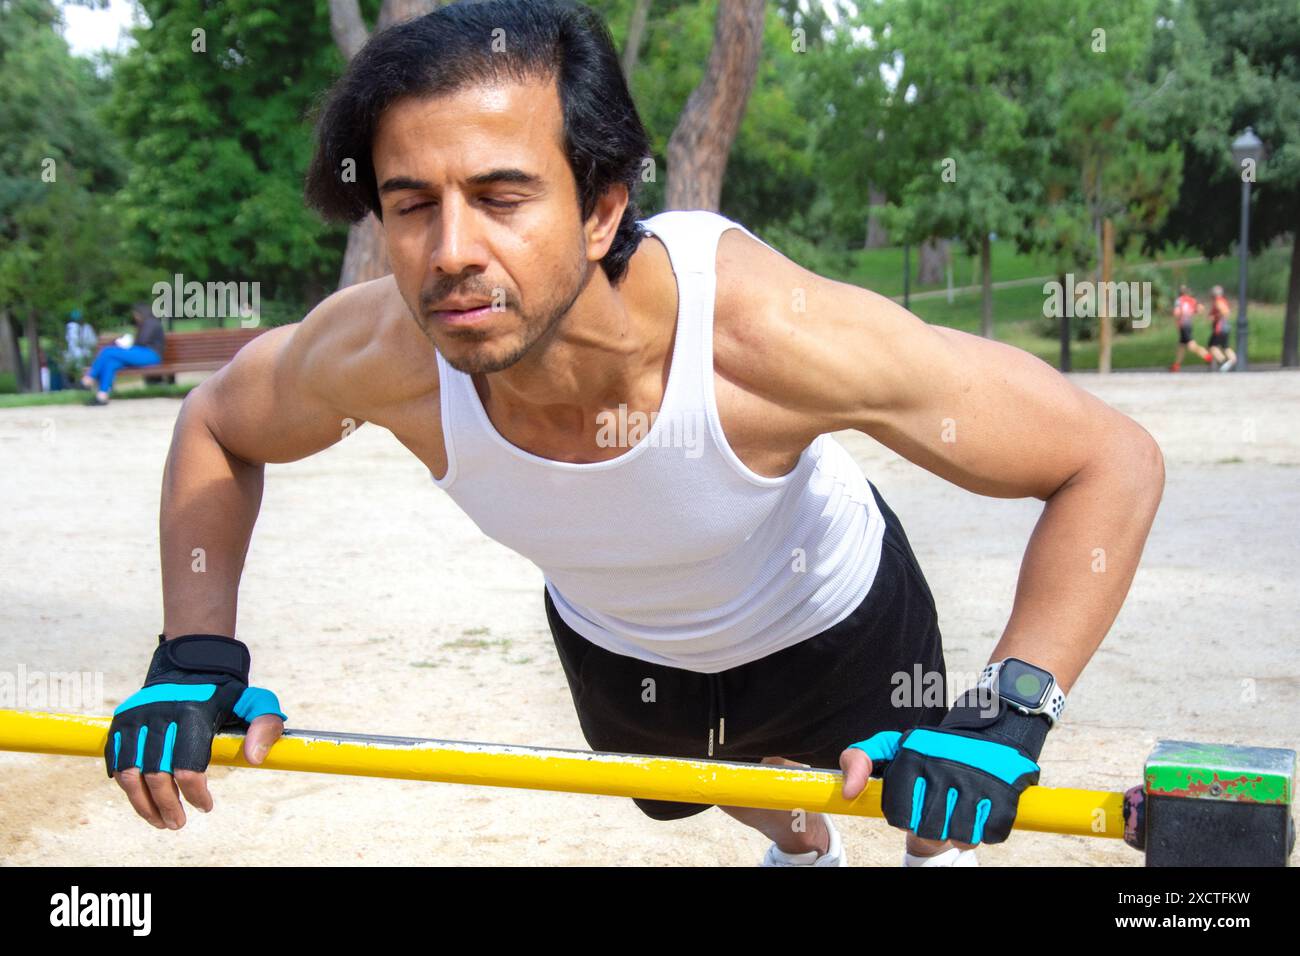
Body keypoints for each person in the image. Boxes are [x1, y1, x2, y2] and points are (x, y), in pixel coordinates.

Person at [101, 0, 1164, 867]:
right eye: (411, 203)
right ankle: (802, 849)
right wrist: (195, 652)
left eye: (502, 194)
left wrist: (1013, 707)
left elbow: (1105, 456)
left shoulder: (763, 338)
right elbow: (216, 424)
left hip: (836, 617)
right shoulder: (378, 353)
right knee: (760, 808)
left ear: (604, 208)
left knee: (934, 816)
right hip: (624, 652)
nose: (449, 252)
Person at [81, 303, 166, 405]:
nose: (135, 317)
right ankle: (102, 396)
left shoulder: (150, 323)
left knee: (108, 351)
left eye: (135, 314)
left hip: (150, 355)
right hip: (143, 353)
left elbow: (142, 341)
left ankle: (88, 379)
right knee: (111, 363)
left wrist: (126, 344)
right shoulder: (149, 323)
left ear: (140, 313)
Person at [1170, 285, 1212, 371]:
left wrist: (1177, 321)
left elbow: (1177, 312)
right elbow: (1201, 308)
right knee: (1181, 346)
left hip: (1183, 325)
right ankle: (1176, 366)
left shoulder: (1179, 300)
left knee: (1191, 346)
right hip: (1188, 324)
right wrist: (1193, 312)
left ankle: (1208, 357)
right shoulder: (1191, 300)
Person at [1207, 285, 1238, 372]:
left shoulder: (1218, 301)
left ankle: (1224, 362)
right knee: (1225, 346)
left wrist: (1215, 317)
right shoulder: (1222, 300)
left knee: (1212, 346)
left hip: (1219, 327)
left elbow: (1225, 312)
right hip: (1225, 326)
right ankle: (1232, 361)